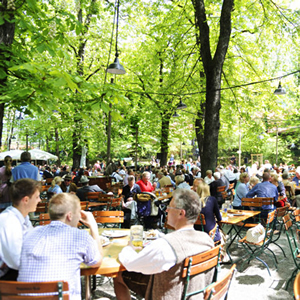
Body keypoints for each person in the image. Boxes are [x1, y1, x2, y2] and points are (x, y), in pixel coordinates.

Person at [113, 189, 214, 300]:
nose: (166, 210)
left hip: (169, 293)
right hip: (194, 292)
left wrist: (129, 247)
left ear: (181, 213)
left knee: (118, 276)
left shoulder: (166, 246)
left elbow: (130, 263)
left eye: (170, 207)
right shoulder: (207, 240)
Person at [18, 193, 103, 300]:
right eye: (79, 214)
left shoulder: (30, 234)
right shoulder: (80, 236)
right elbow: (97, 261)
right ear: (70, 216)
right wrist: (93, 226)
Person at [0, 179, 41, 280]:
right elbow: (17, 261)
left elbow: (34, 241)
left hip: (16, 272)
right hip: (8, 277)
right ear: (26, 200)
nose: (39, 200)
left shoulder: (23, 218)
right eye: (37, 197)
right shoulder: (8, 221)